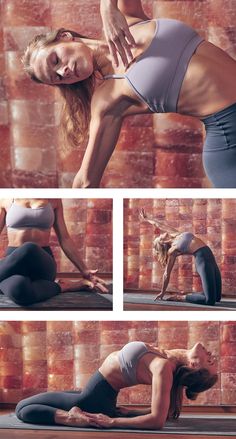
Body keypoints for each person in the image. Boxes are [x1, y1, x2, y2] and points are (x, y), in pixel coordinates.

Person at [22, 0, 236, 188]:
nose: (63, 71)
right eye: (57, 77)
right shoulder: (106, 99)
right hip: (229, 138)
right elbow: (86, 181)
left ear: (64, 37)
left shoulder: (128, 21)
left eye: (55, 60)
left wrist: (107, 7)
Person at [15, 340, 218, 430]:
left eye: (210, 362)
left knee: (23, 408)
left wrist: (112, 421)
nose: (212, 355)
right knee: (53, 398)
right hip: (97, 395)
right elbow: (168, 409)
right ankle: (80, 413)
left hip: (93, 398)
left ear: (194, 366)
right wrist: (129, 413)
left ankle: (72, 418)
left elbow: (158, 421)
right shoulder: (173, 360)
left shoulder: (163, 368)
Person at [0, 198, 108, 305]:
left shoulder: (53, 199)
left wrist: (84, 270)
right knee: (18, 289)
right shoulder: (5, 198)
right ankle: (63, 286)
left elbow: (64, 238)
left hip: (42, 264)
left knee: (29, 248)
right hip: (13, 266)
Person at [140, 209, 221, 306]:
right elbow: (166, 274)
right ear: (162, 243)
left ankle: (193, 295)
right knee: (210, 301)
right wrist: (162, 292)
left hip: (210, 257)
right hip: (202, 260)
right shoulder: (172, 251)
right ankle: (181, 297)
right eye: (160, 237)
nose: (161, 234)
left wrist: (148, 218)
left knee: (217, 298)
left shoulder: (175, 234)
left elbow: (160, 225)